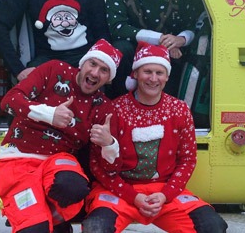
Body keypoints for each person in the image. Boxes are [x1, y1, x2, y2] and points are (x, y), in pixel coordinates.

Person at [82, 41, 228, 233]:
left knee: (212, 226)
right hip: (120, 191)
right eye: (147, 71)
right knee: (95, 228)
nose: (153, 78)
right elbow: (97, 166)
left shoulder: (179, 109)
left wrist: (165, 195)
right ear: (135, 74)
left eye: (159, 73)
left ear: (167, 76)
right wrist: (132, 196)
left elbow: (188, 160)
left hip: (164, 192)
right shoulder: (113, 109)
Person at [0, 39, 122, 233]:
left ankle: (54, 220)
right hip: (18, 160)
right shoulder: (54, 70)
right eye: (93, 64)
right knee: (35, 229)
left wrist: (109, 144)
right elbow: (9, 101)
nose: (95, 73)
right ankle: (48, 222)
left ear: (109, 79)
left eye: (104, 70)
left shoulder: (103, 107)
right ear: (82, 63)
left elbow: (109, 169)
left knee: (72, 186)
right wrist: (49, 114)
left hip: (56, 161)